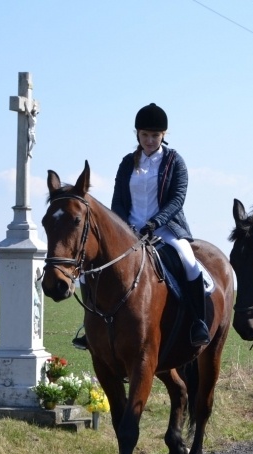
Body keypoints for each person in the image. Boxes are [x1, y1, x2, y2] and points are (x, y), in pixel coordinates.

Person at [73, 103, 210, 350]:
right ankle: (91, 325)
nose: (149, 140)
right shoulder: (127, 163)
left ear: (163, 136)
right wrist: (124, 228)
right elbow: (118, 200)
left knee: (189, 262)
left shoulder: (175, 162)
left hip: (166, 229)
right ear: (137, 134)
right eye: (145, 135)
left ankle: (197, 322)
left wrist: (155, 223)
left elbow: (177, 199)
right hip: (129, 231)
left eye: (155, 136)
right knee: (88, 269)